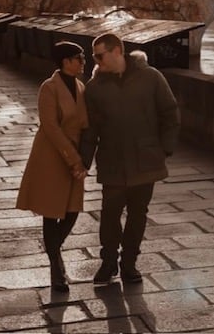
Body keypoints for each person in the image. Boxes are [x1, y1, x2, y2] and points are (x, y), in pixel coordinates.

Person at [81, 33, 180, 285]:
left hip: (146, 159)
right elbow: (90, 130)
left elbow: (170, 112)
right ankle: (108, 263)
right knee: (109, 215)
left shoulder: (151, 77)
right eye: (94, 56)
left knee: (138, 214)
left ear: (117, 52)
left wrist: (164, 149)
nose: (96, 61)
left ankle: (129, 264)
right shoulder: (94, 88)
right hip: (113, 160)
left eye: (99, 55)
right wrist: (83, 162)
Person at [16, 41, 88, 292]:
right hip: (52, 156)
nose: (83, 62)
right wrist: (74, 159)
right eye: (79, 58)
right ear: (65, 61)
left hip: (74, 156)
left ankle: (54, 254)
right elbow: (51, 126)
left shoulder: (80, 86)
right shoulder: (49, 88)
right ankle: (56, 268)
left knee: (72, 210)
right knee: (51, 212)